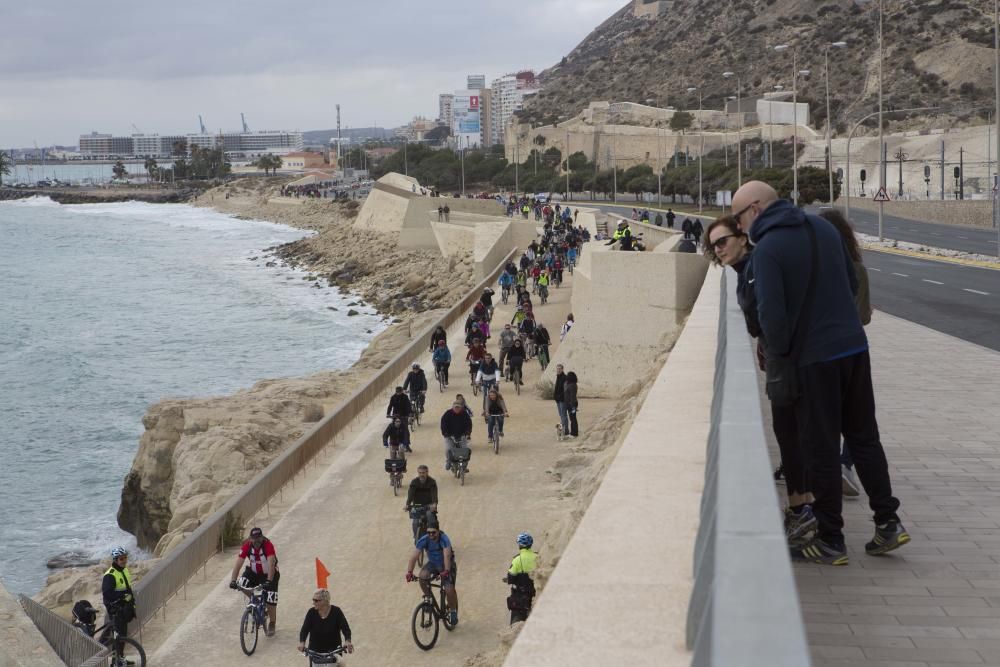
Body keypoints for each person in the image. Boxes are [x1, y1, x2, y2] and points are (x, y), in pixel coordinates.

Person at [732, 180, 907, 565]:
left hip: (813, 360)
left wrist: (780, 356)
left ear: (756, 210)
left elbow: (771, 320)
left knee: (821, 448)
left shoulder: (768, 252)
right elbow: (849, 281)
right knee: (864, 438)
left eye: (739, 217)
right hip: (854, 348)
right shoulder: (824, 228)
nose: (739, 227)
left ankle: (831, 538)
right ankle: (888, 523)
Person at [703, 215, 816, 544]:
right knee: (789, 434)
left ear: (742, 237)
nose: (719, 249)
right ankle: (804, 510)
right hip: (783, 360)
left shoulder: (755, 267)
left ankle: (805, 513)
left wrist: (776, 349)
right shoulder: (746, 270)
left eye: (723, 241)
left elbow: (763, 316)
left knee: (791, 434)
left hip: (789, 363)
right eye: (713, 246)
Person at [820, 208, 873, 499]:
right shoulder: (857, 268)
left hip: (820, 350)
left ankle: (824, 467)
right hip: (853, 348)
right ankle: (844, 464)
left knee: (823, 412)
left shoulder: (812, 266)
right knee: (856, 416)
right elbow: (862, 316)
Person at [406, 521, 459, 626]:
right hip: (433, 564)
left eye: (433, 532)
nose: (431, 535)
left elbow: (447, 555)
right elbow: (414, 557)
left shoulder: (444, 539)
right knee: (422, 577)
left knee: (449, 589)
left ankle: (453, 611)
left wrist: (446, 571)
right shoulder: (424, 540)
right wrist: (410, 572)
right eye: (429, 532)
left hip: (446, 565)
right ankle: (428, 597)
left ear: (438, 531)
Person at [229, 527, 280, 636]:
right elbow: (238, 564)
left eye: (258, 539)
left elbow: (271, 564)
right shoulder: (247, 546)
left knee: (271, 597)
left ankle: (272, 622)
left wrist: (269, 581)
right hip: (253, 573)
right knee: (241, 584)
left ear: (262, 538)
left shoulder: (268, 545)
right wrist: (233, 580)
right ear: (250, 539)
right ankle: (256, 600)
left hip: (269, 574)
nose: (256, 542)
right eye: (254, 539)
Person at [101, 546, 136, 657]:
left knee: (121, 635)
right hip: (115, 609)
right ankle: (117, 661)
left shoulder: (124, 570)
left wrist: (132, 600)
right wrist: (123, 596)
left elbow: (127, 588)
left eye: (125, 558)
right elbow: (107, 593)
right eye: (121, 559)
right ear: (115, 560)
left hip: (124, 608)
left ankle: (120, 659)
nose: (124, 560)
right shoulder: (110, 574)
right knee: (119, 636)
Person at [297, 589, 354, 656]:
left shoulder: (336, 612)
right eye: (313, 600)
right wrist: (302, 642)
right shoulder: (311, 612)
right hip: (315, 652)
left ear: (325, 601)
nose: (313, 603)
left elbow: (346, 629)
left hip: (334, 651)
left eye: (316, 600)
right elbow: (304, 629)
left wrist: (348, 641)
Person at [503, 533, 538, 624]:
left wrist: (508, 579)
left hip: (520, 593)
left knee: (516, 617)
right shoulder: (537, 556)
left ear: (520, 545)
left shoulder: (517, 559)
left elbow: (511, 577)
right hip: (535, 592)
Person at [405, 465, 438, 541]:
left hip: (429, 504)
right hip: (417, 505)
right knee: (415, 522)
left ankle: (433, 535)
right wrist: (407, 504)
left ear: (427, 472)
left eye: (423, 473)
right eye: (420, 473)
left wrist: (434, 504)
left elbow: (434, 495)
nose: (421, 474)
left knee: (430, 517)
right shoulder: (414, 482)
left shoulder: (432, 482)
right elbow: (410, 494)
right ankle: (416, 538)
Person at [440, 400, 473, 471]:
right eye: (455, 407)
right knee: (448, 449)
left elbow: (469, 424)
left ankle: (464, 466)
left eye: (458, 407)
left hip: (461, 436)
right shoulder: (447, 414)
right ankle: (448, 461)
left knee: (465, 450)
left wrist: (467, 433)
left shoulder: (464, 414)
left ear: (461, 407)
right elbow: (443, 424)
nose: (457, 409)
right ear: (453, 407)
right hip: (450, 436)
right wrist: (445, 434)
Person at [553, 364, 569, 436]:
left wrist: (559, 397)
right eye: (557, 369)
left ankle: (565, 431)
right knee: (561, 415)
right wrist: (555, 396)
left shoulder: (565, 378)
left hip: (562, 400)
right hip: (558, 400)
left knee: (564, 416)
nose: (558, 370)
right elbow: (556, 387)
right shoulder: (558, 377)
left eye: (559, 369)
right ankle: (563, 430)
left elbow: (565, 390)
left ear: (562, 369)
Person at [564, 371, 579, 438]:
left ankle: (574, 433)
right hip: (570, 404)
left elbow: (572, 397)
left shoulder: (572, 385)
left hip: (572, 404)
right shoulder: (570, 384)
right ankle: (573, 432)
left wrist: (573, 407)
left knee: (573, 419)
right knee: (572, 418)